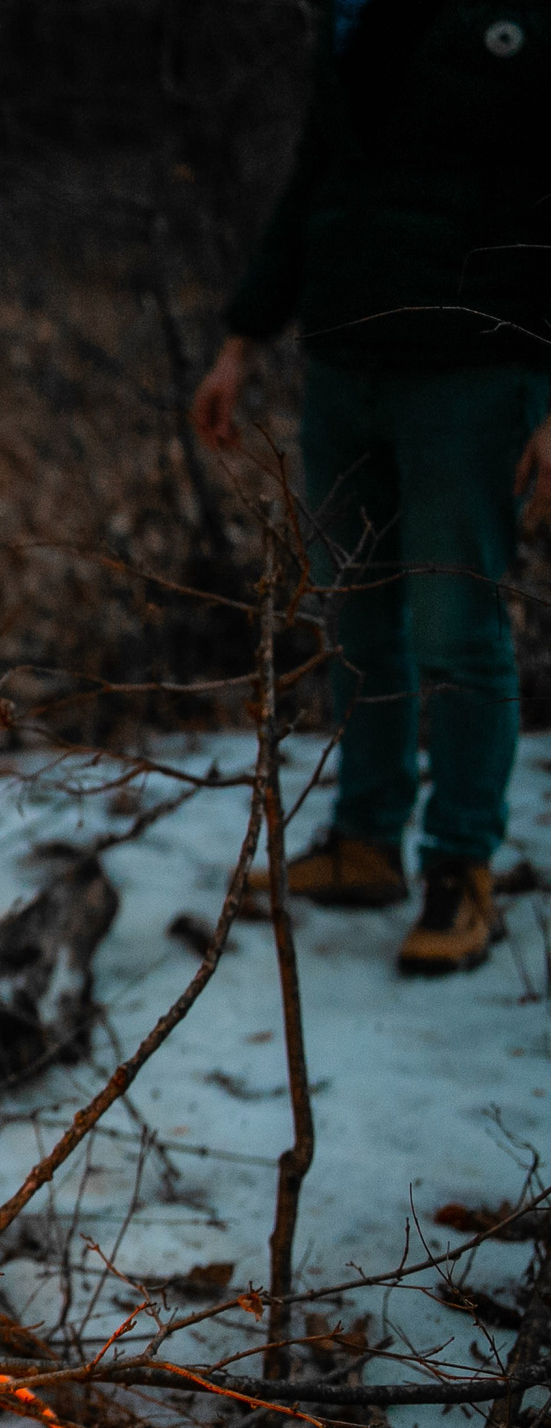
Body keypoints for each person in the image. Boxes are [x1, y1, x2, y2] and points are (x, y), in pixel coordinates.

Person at [191, 0, 551, 977]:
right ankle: (363, 839)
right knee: (353, 609)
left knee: (455, 622)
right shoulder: (350, 15)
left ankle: (458, 869)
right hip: (345, 360)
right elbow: (318, 177)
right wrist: (241, 338)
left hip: (472, 365)